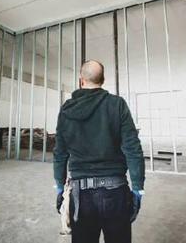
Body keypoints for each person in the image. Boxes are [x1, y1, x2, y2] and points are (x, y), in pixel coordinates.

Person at [53, 60, 145, 243]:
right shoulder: (117, 105)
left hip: (81, 197)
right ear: (103, 80)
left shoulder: (66, 110)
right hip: (116, 192)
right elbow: (133, 149)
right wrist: (137, 188)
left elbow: (60, 153)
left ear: (81, 81)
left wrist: (59, 186)